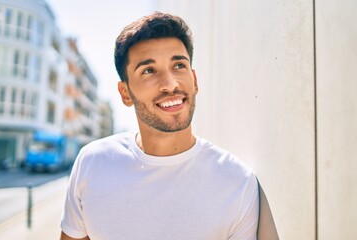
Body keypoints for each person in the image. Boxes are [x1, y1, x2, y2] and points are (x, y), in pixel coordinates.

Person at [60, 12, 277, 240]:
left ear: (195, 80)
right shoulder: (92, 163)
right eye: (149, 71)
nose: (170, 84)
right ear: (125, 93)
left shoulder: (238, 183)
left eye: (179, 65)